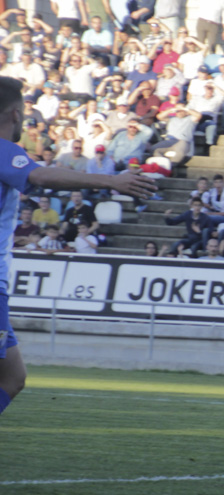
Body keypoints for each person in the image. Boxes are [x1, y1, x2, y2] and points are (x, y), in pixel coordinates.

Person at [0, 76, 156, 417]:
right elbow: (40, 177)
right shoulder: (4, 150)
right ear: (14, 115)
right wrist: (111, 181)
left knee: (12, 377)